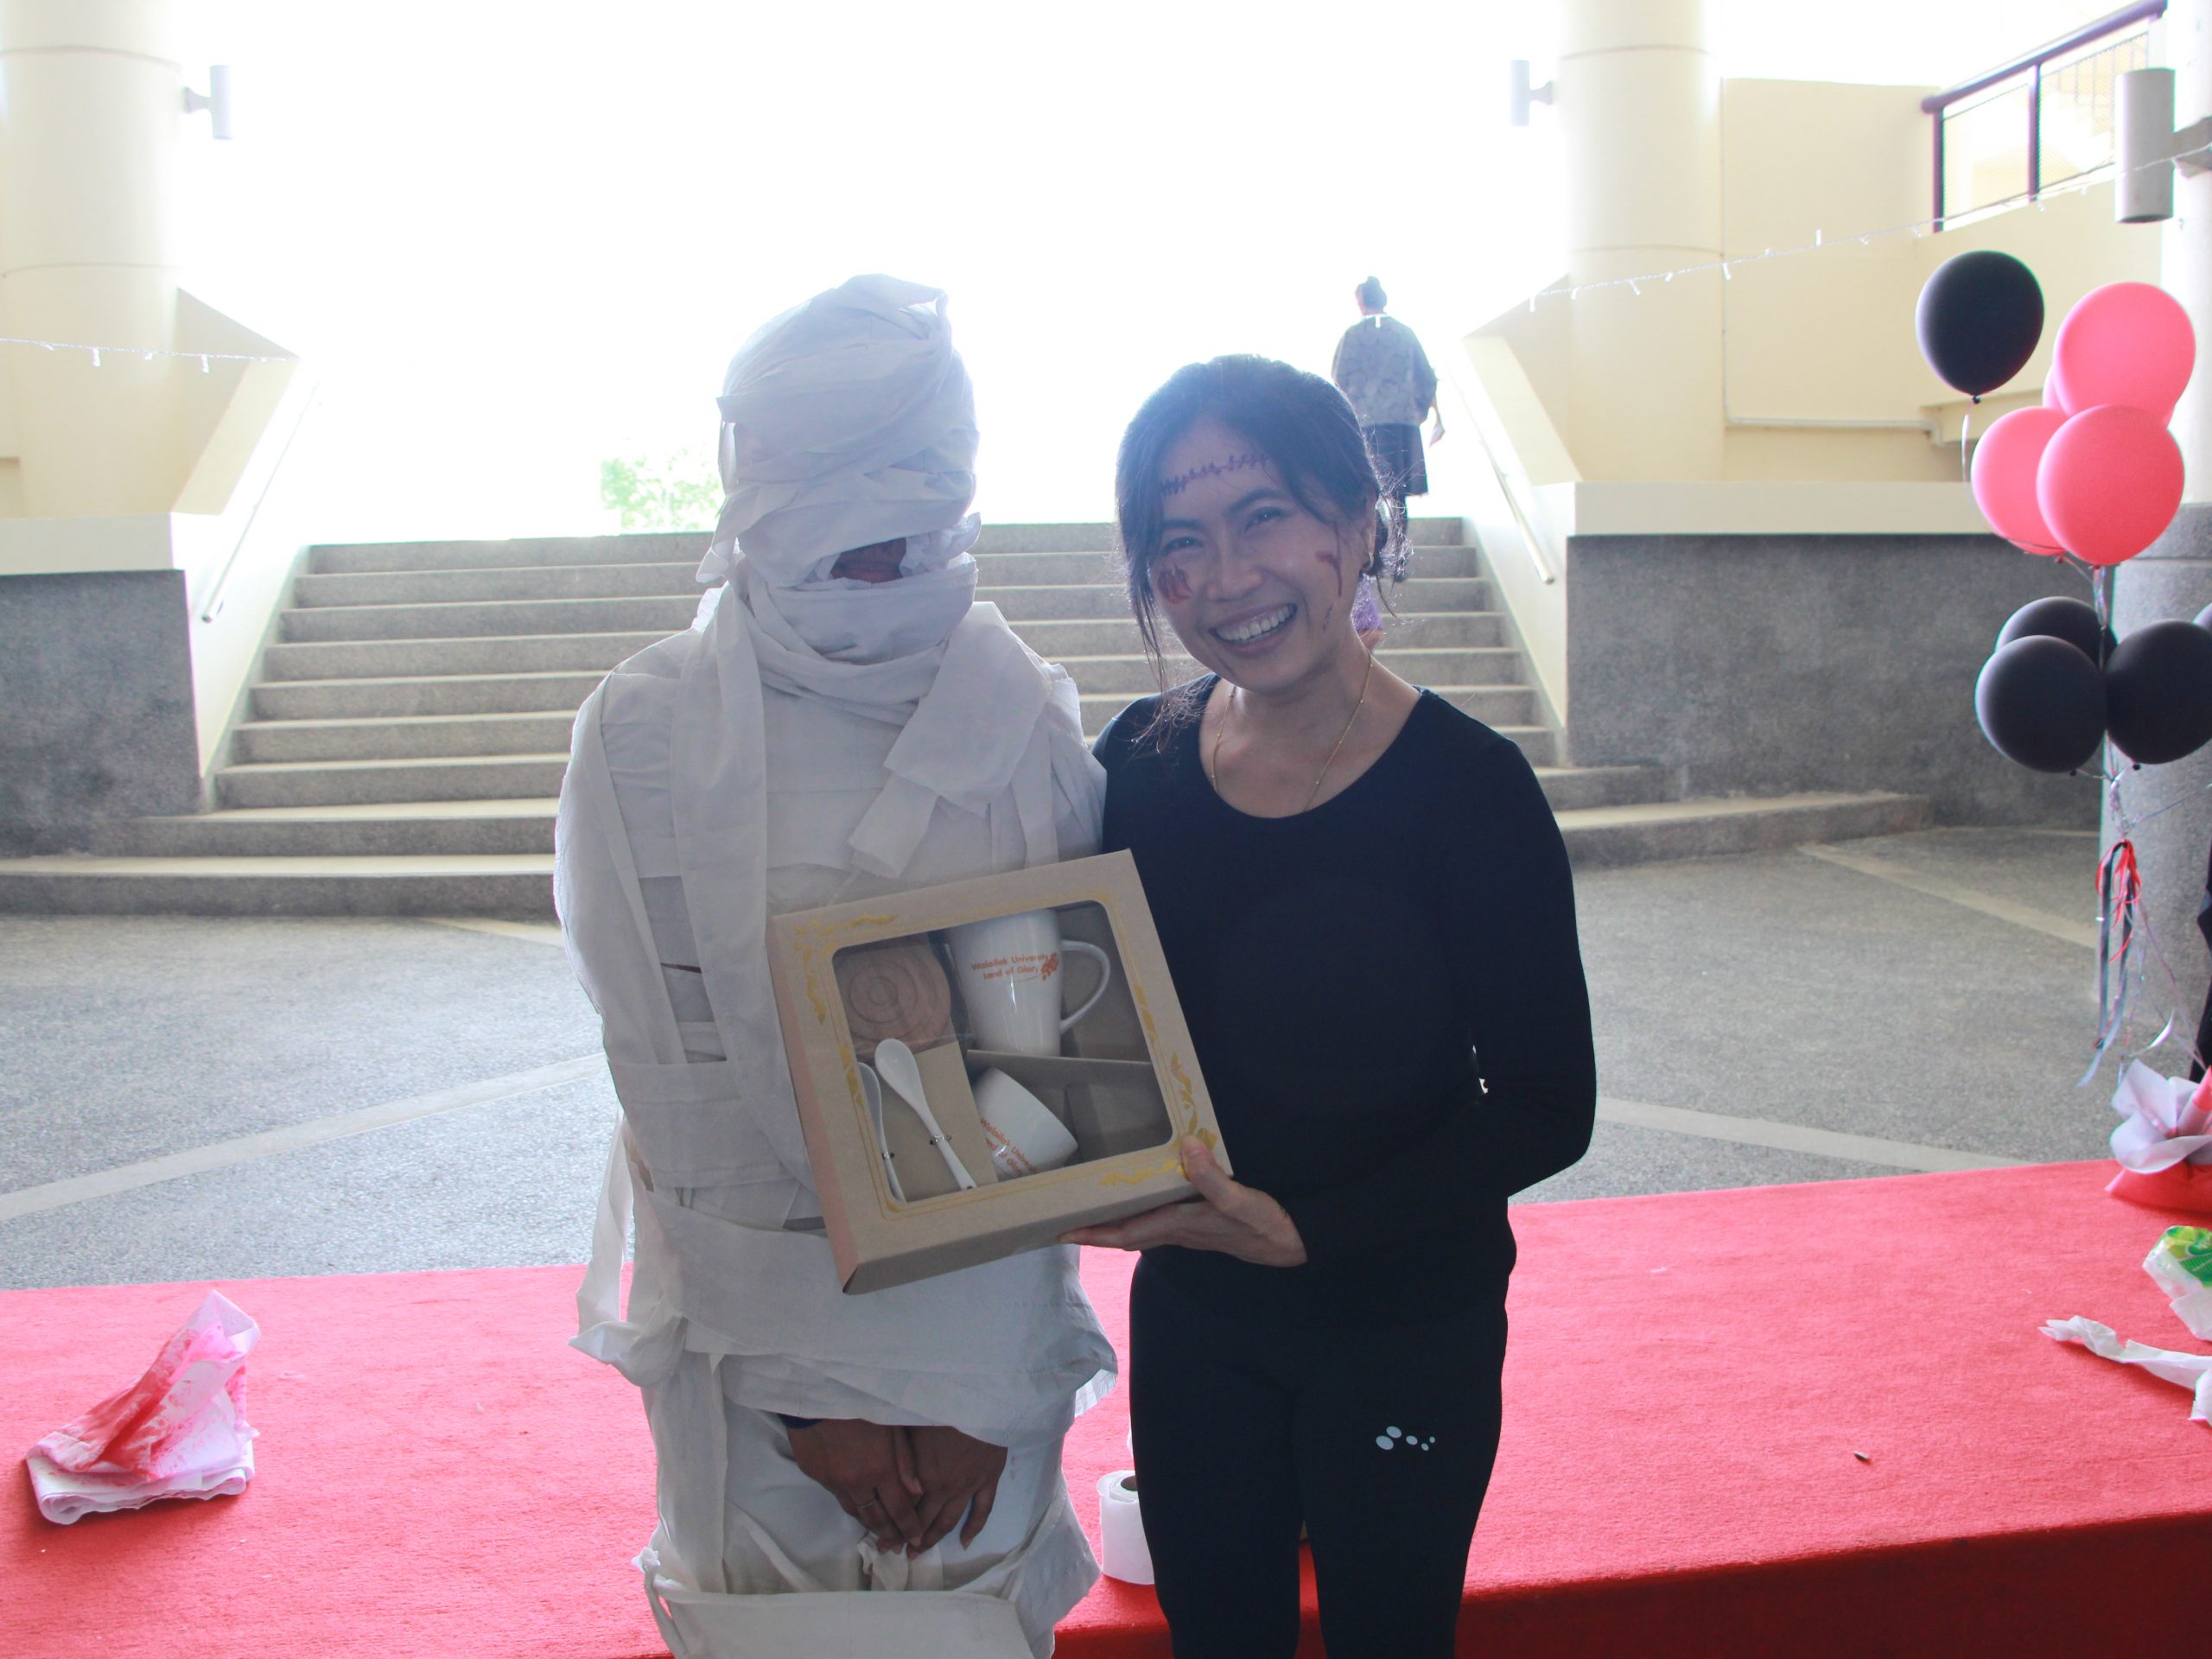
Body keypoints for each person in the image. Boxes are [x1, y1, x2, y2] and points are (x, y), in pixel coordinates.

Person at [556, 275, 1116, 1659]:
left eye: (917, 538)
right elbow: (672, 1089)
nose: (889, 576)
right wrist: (818, 1404)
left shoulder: (1025, 720)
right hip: (754, 1376)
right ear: (762, 505)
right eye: (849, 544)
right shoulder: (647, 735)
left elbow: (1047, 1086)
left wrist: (981, 1391)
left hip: (984, 1374)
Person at [1065, 354, 1595, 1659]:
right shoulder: (1135, 766)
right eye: (1180, 544)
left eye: (1264, 519)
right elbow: (1058, 997)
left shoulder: (1470, 790)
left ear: (1358, 522)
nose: (1227, 578)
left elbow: (1546, 1105)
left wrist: (1310, 1229)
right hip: (1198, 1317)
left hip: (1403, 1320)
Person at [1329, 276, 1441, 580]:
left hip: (1365, 424)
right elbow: (1427, 377)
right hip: (1401, 422)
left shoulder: (1352, 336)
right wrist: (1417, 411)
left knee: (1367, 491)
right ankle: (1400, 560)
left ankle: (1371, 558)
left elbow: (1338, 379)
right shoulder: (1405, 334)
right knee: (1398, 495)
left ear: (1361, 302)